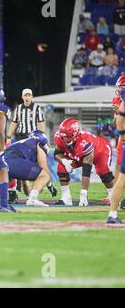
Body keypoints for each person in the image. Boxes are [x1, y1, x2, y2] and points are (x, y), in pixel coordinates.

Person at [0, 130, 57, 207]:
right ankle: (33, 199)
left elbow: (25, 185)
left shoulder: (24, 144)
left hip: (3, 159)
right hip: (14, 159)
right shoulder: (39, 143)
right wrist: (50, 185)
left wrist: (30, 194)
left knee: (8, 176)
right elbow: (44, 168)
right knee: (45, 175)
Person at [53, 118, 115, 206]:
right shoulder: (59, 137)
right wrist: (64, 161)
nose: (65, 139)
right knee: (61, 166)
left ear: (75, 134)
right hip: (78, 153)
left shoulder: (85, 142)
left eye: (68, 136)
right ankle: (66, 198)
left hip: (101, 150)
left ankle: (113, 196)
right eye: (64, 137)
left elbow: (86, 170)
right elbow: (57, 153)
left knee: (103, 172)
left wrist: (83, 193)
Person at [108, 75, 125, 224]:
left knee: (122, 176)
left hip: (124, 138)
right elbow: (117, 121)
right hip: (123, 138)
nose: (119, 90)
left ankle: (112, 213)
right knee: (119, 169)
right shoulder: (118, 100)